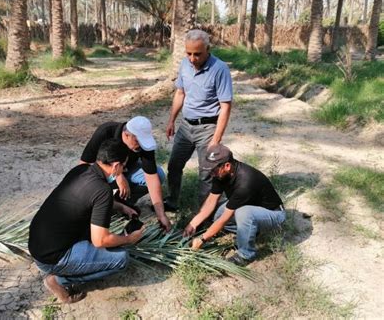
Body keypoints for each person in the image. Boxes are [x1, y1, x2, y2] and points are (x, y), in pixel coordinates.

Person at [28, 139, 144, 303]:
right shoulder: (103, 191)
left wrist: (120, 207)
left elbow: (87, 199)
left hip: (37, 243)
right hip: (52, 258)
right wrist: (129, 239)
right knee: (121, 259)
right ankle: (58, 281)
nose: (124, 170)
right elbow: (100, 240)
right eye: (123, 166)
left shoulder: (81, 169)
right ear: (116, 166)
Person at [183, 144, 286, 266]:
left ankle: (246, 254)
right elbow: (210, 202)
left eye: (213, 170)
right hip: (249, 205)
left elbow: (224, 219)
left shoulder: (245, 182)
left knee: (244, 213)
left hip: (273, 214)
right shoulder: (219, 174)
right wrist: (193, 223)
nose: (212, 173)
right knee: (216, 214)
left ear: (227, 166)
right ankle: (250, 231)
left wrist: (202, 239)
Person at [165, 29, 233, 211]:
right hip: (186, 126)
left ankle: (203, 214)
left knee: (206, 174)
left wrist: (216, 140)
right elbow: (180, 92)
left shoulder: (220, 69)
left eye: (197, 54)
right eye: (189, 53)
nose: (193, 58)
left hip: (208, 128)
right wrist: (172, 120)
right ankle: (171, 202)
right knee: (174, 166)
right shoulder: (185, 65)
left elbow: (225, 106)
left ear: (207, 49)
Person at [80, 116, 171, 231]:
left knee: (159, 175)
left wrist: (161, 215)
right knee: (100, 191)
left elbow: (152, 177)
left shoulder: (143, 144)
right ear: (127, 134)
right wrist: (118, 175)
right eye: (137, 141)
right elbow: (83, 165)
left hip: (127, 170)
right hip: (104, 174)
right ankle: (102, 205)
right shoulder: (106, 132)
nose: (141, 146)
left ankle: (122, 203)